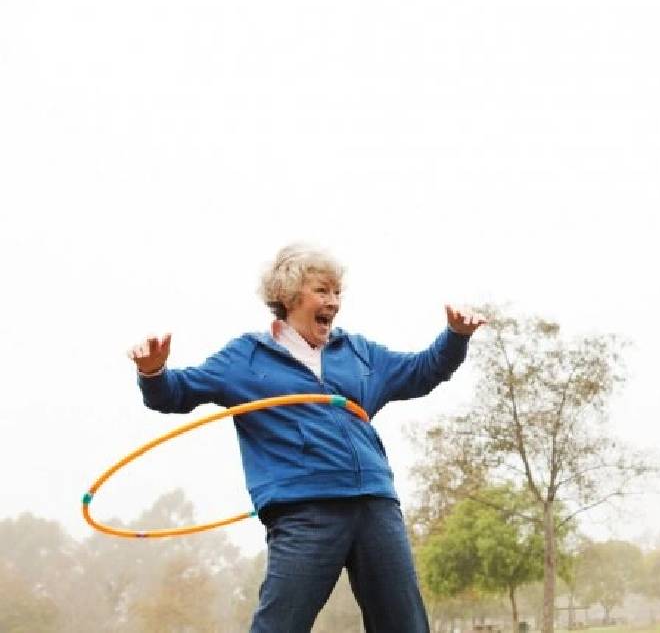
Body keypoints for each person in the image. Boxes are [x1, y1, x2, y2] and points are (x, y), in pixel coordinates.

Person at [127, 243, 485, 633]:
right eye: (322, 291)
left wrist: (455, 337)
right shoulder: (244, 358)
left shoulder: (358, 352)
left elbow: (421, 371)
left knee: (405, 625)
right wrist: (153, 373)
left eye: (336, 293)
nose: (333, 301)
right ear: (288, 296)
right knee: (279, 626)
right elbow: (176, 394)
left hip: (374, 504)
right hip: (304, 510)